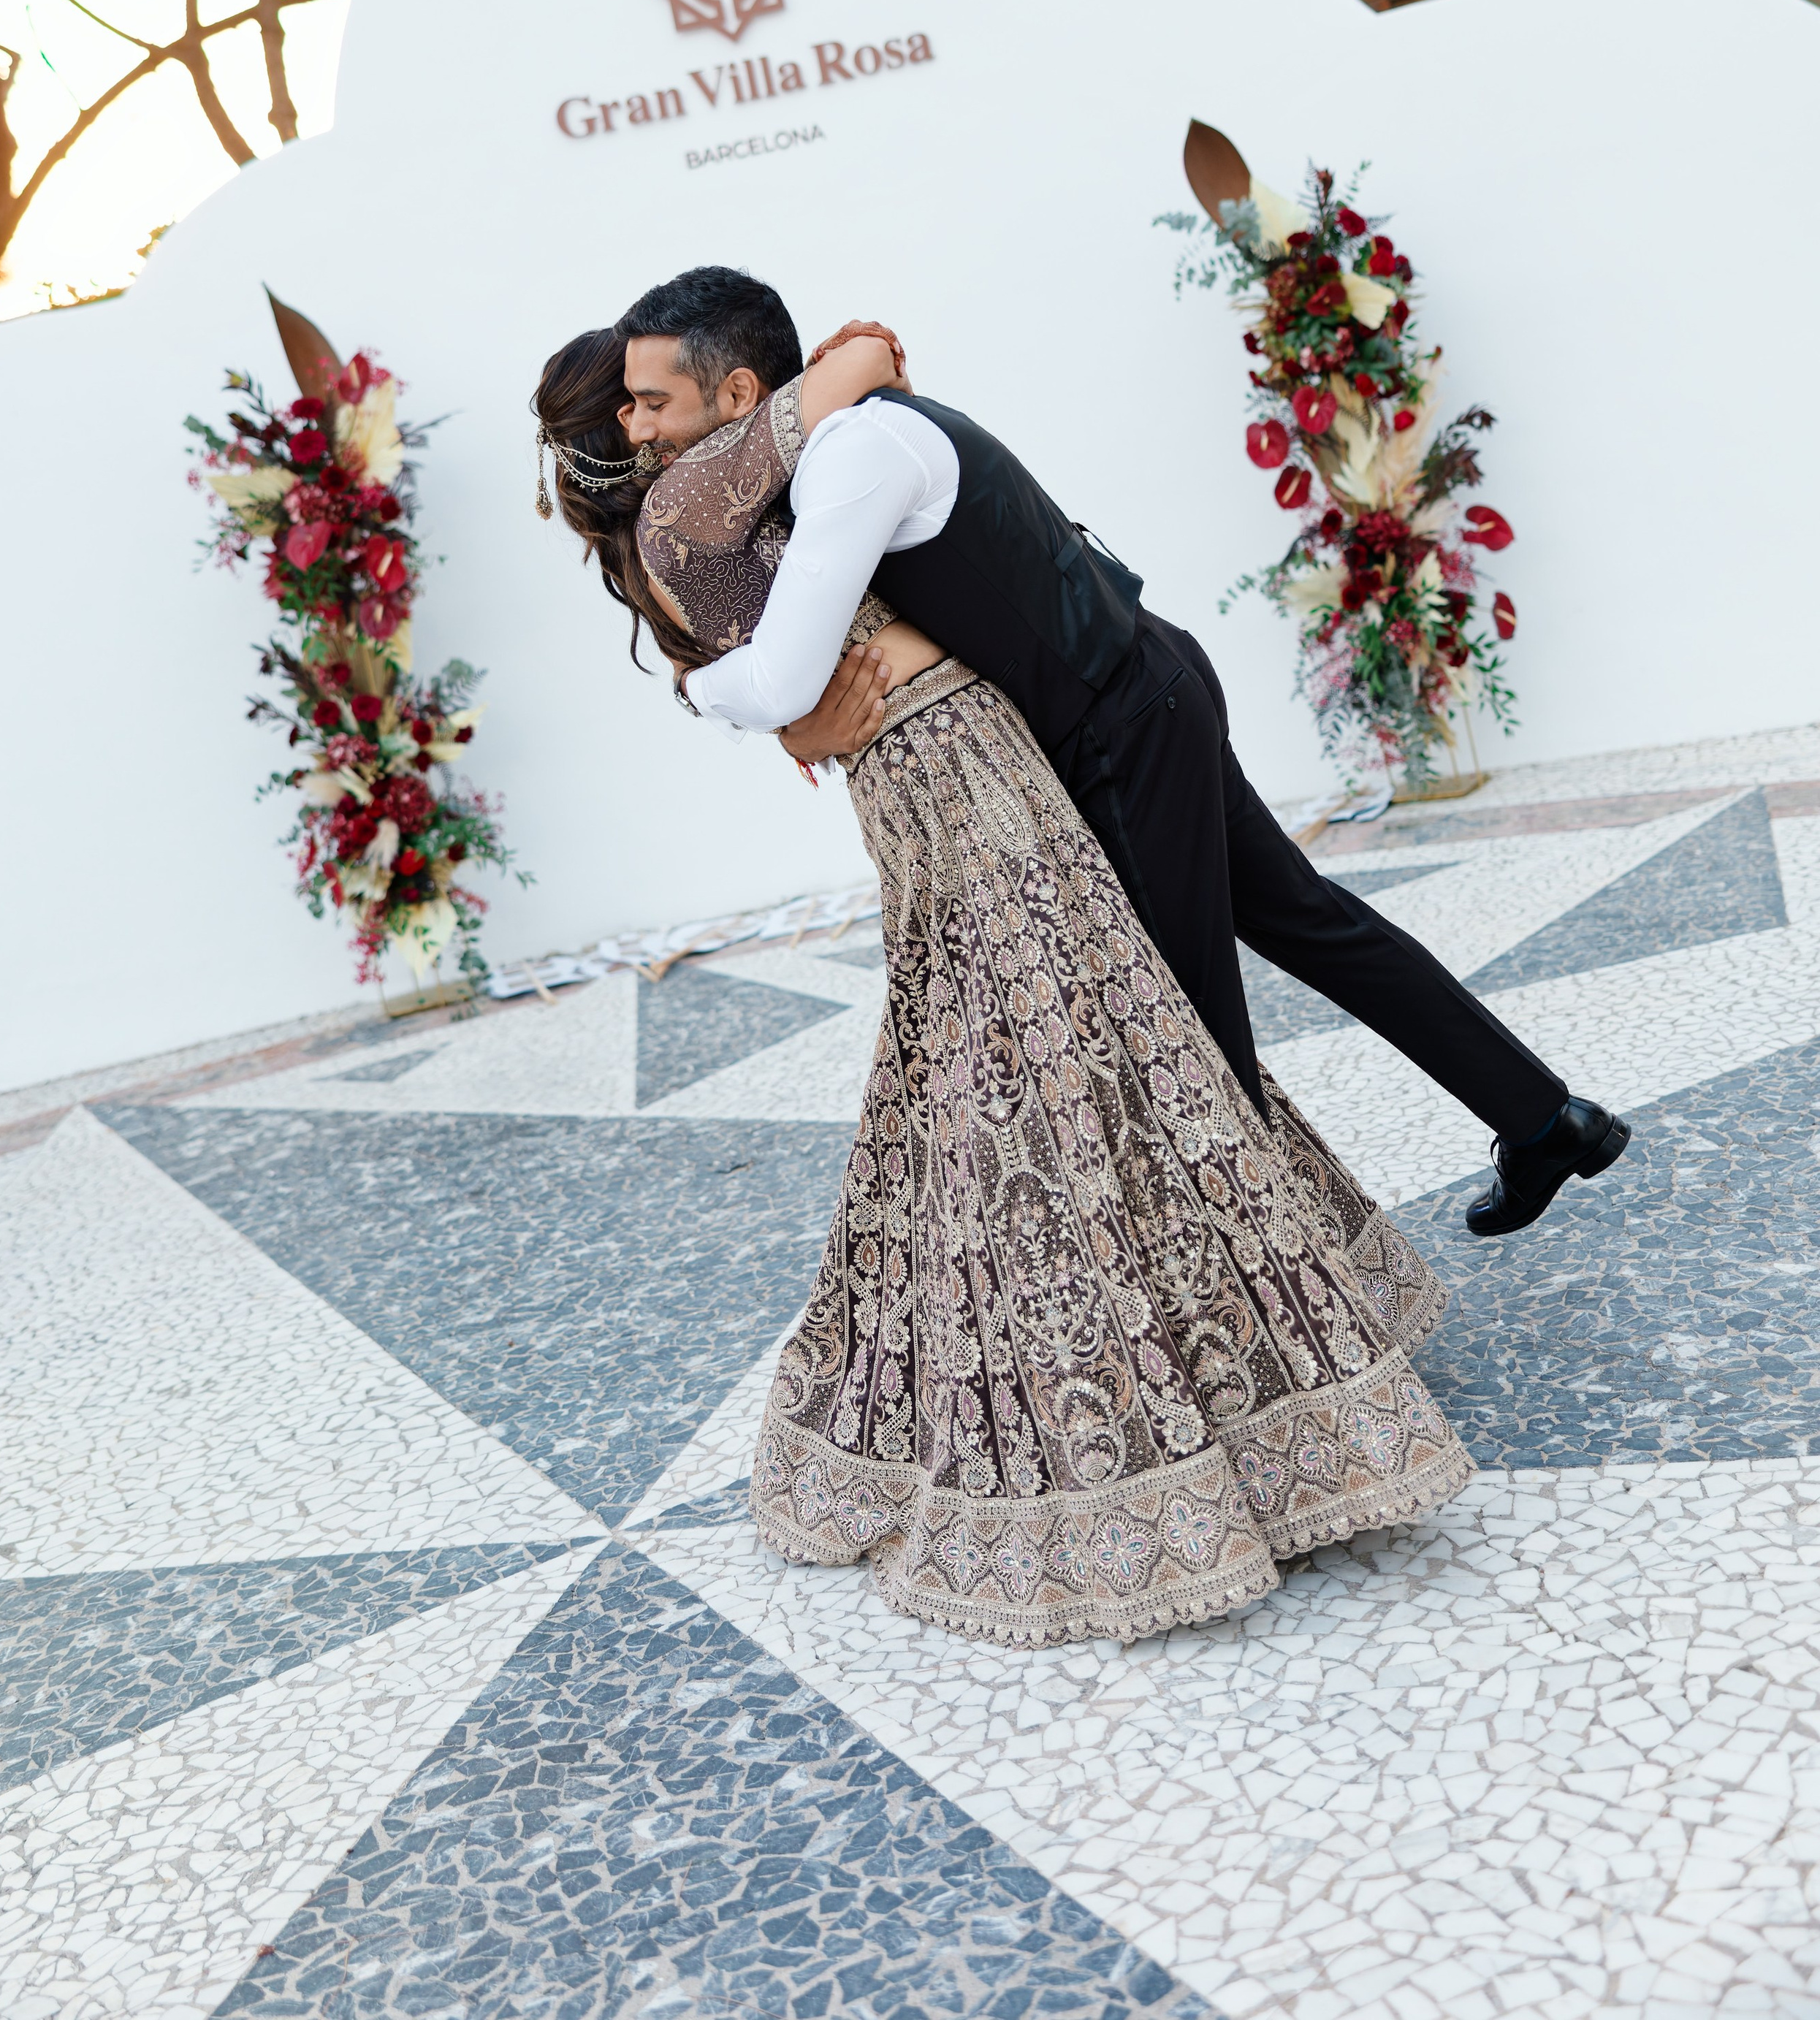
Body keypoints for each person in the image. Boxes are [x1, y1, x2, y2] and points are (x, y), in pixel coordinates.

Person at [533, 281, 1473, 1650]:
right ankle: (1147, 1429)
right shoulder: (693, 500)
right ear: (628, 437)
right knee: (1070, 1067)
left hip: (940, 774)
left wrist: (750, 698)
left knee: (1068, 1056)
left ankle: (1230, 1381)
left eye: (649, 391)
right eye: (630, 403)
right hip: (959, 772)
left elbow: (775, 630)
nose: (643, 411)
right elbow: (848, 376)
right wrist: (771, 682)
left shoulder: (683, 522)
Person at [611, 270, 1632, 1248]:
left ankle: (1293, 1305)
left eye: (655, 403)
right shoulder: (851, 438)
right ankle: (1546, 1121)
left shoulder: (851, 459)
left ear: (739, 392)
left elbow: (788, 680)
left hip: (1121, 731)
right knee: (1311, 925)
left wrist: (699, 688)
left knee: (1189, 1029)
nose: (641, 429)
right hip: (1148, 688)